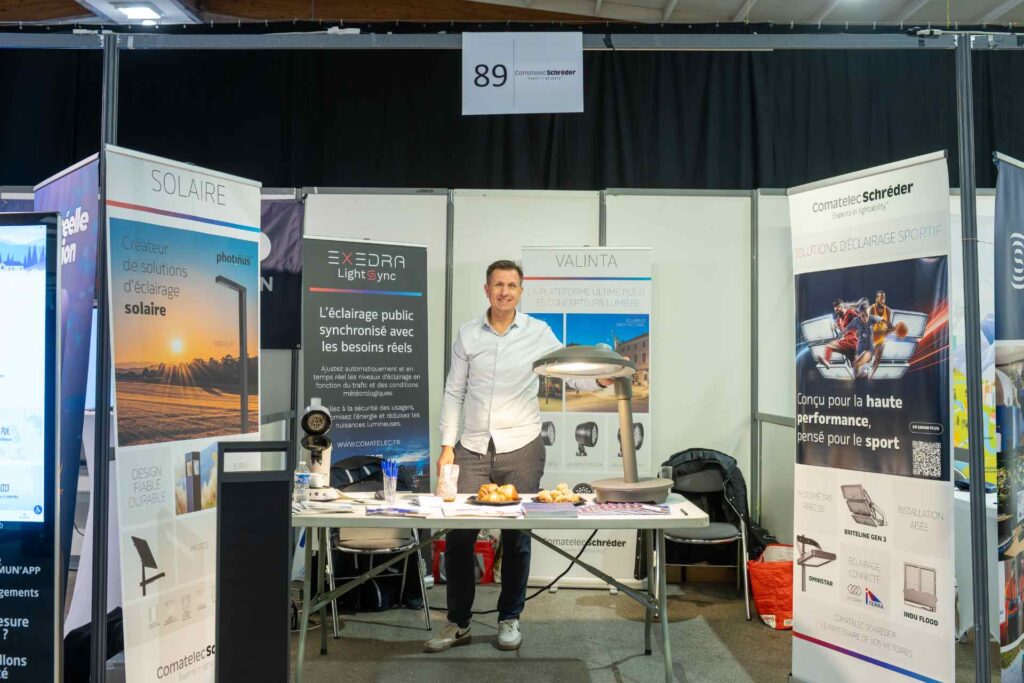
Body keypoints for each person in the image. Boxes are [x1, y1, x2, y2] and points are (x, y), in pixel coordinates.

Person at [424, 259, 611, 654]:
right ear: (486, 289)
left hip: (522, 447)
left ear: (521, 292)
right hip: (472, 447)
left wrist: (598, 378)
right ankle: (458, 623)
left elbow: (566, 372)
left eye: (511, 285)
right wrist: (447, 446)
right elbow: (454, 391)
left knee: (517, 538)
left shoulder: (538, 333)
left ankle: (510, 618)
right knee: (459, 537)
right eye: (498, 285)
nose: (504, 292)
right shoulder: (468, 334)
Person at [869, 290, 894, 374]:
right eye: (881, 298)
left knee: (878, 357)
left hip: (881, 336)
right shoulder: (872, 308)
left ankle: (871, 375)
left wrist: (890, 330)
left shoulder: (888, 310)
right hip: (872, 335)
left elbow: (889, 326)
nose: (883, 300)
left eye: (884, 298)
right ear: (876, 299)